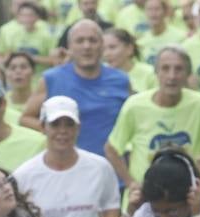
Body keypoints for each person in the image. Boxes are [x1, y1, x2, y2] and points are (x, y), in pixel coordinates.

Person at [105, 46, 200, 191]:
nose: (172, 76)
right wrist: (130, 183)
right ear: (156, 72)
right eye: (165, 68)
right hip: (147, 197)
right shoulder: (135, 106)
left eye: (179, 69)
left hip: (191, 196)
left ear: (188, 74)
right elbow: (112, 149)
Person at [22, 20, 132, 156]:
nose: (87, 46)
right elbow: (25, 118)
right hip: (69, 165)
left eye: (93, 40)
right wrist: (57, 131)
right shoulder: (51, 79)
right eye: (80, 41)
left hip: (113, 168)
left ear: (102, 45)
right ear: (69, 47)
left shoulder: (120, 80)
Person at [0, 2, 60, 75]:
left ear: (37, 17)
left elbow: (55, 60)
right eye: (23, 15)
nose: (27, 19)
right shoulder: (14, 35)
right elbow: (2, 56)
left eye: (30, 15)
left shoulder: (47, 34)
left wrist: (32, 58)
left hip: (40, 77)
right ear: (18, 17)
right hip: (18, 77)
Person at [103, 26, 159, 92]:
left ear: (129, 49)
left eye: (112, 47)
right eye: (103, 49)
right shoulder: (99, 74)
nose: (106, 54)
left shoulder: (150, 74)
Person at [137, 0, 188, 67]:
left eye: (157, 9)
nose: (153, 13)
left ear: (165, 12)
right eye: (149, 9)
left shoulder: (181, 37)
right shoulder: (141, 42)